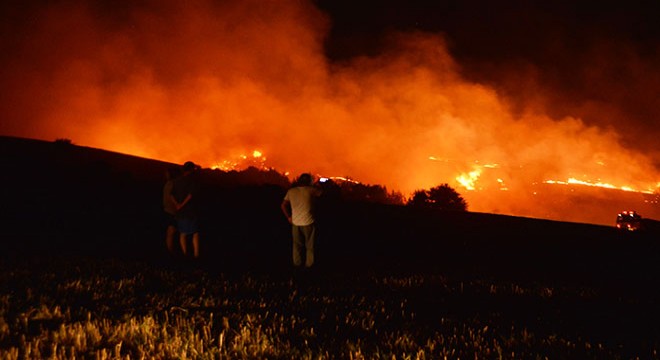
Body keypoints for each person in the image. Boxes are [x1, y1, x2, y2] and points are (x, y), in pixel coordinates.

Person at [281, 173, 322, 270]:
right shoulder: (312, 190)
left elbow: (283, 205)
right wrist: (317, 184)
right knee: (310, 246)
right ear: (309, 181)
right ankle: (309, 267)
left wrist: (289, 217)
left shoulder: (291, 191)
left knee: (297, 246)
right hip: (309, 222)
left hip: (295, 223)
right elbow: (322, 193)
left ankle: (297, 266)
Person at [170, 161, 201, 259]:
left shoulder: (176, 181)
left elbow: (171, 194)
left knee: (182, 233)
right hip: (191, 211)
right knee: (195, 233)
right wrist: (182, 205)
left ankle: (184, 255)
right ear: (191, 170)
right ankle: (196, 255)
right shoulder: (193, 181)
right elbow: (191, 195)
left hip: (180, 213)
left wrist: (177, 205)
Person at [163, 166, 182, 256]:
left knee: (170, 232)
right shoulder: (173, 184)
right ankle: (170, 252)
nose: (166, 175)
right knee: (171, 232)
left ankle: (170, 252)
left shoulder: (171, 184)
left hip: (170, 211)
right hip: (171, 212)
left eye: (167, 173)